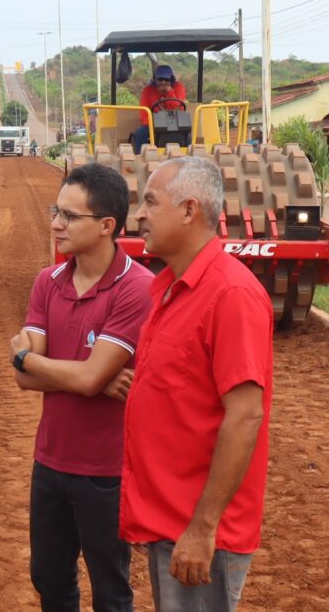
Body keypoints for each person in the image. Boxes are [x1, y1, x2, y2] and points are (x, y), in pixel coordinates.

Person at [121, 155, 273, 612]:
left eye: (151, 202)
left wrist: (203, 528)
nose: (140, 215)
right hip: (170, 519)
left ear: (189, 210)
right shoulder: (172, 287)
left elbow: (245, 417)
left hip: (200, 532)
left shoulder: (230, 295)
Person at [11, 163, 154, 611]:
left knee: (110, 589)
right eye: (56, 212)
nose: (56, 224)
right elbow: (24, 379)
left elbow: (42, 368)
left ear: (107, 225)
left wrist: (31, 359)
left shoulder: (136, 288)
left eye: (70, 216)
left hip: (106, 471)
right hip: (49, 461)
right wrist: (87, 377)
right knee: (49, 579)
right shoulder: (47, 281)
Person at [131, 64, 188, 151]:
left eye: (166, 79)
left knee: (188, 135)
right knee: (139, 134)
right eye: (160, 79)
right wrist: (156, 125)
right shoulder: (148, 90)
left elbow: (179, 107)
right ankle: (141, 156)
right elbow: (144, 114)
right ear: (155, 79)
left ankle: (188, 156)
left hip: (176, 122)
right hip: (154, 123)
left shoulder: (179, 87)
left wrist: (169, 92)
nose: (163, 82)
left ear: (171, 79)